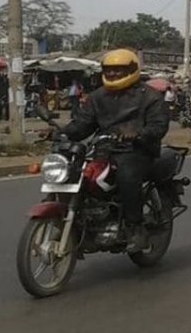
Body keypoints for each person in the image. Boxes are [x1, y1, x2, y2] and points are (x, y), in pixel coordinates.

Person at [60, 49, 170, 253]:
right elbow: (83, 124)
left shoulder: (150, 97)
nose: (113, 74)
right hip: (104, 150)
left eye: (119, 70)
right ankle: (81, 220)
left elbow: (159, 126)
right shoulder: (97, 97)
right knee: (73, 172)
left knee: (127, 175)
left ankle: (135, 228)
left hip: (138, 151)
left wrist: (138, 134)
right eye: (109, 70)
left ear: (132, 70)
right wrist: (61, 132)